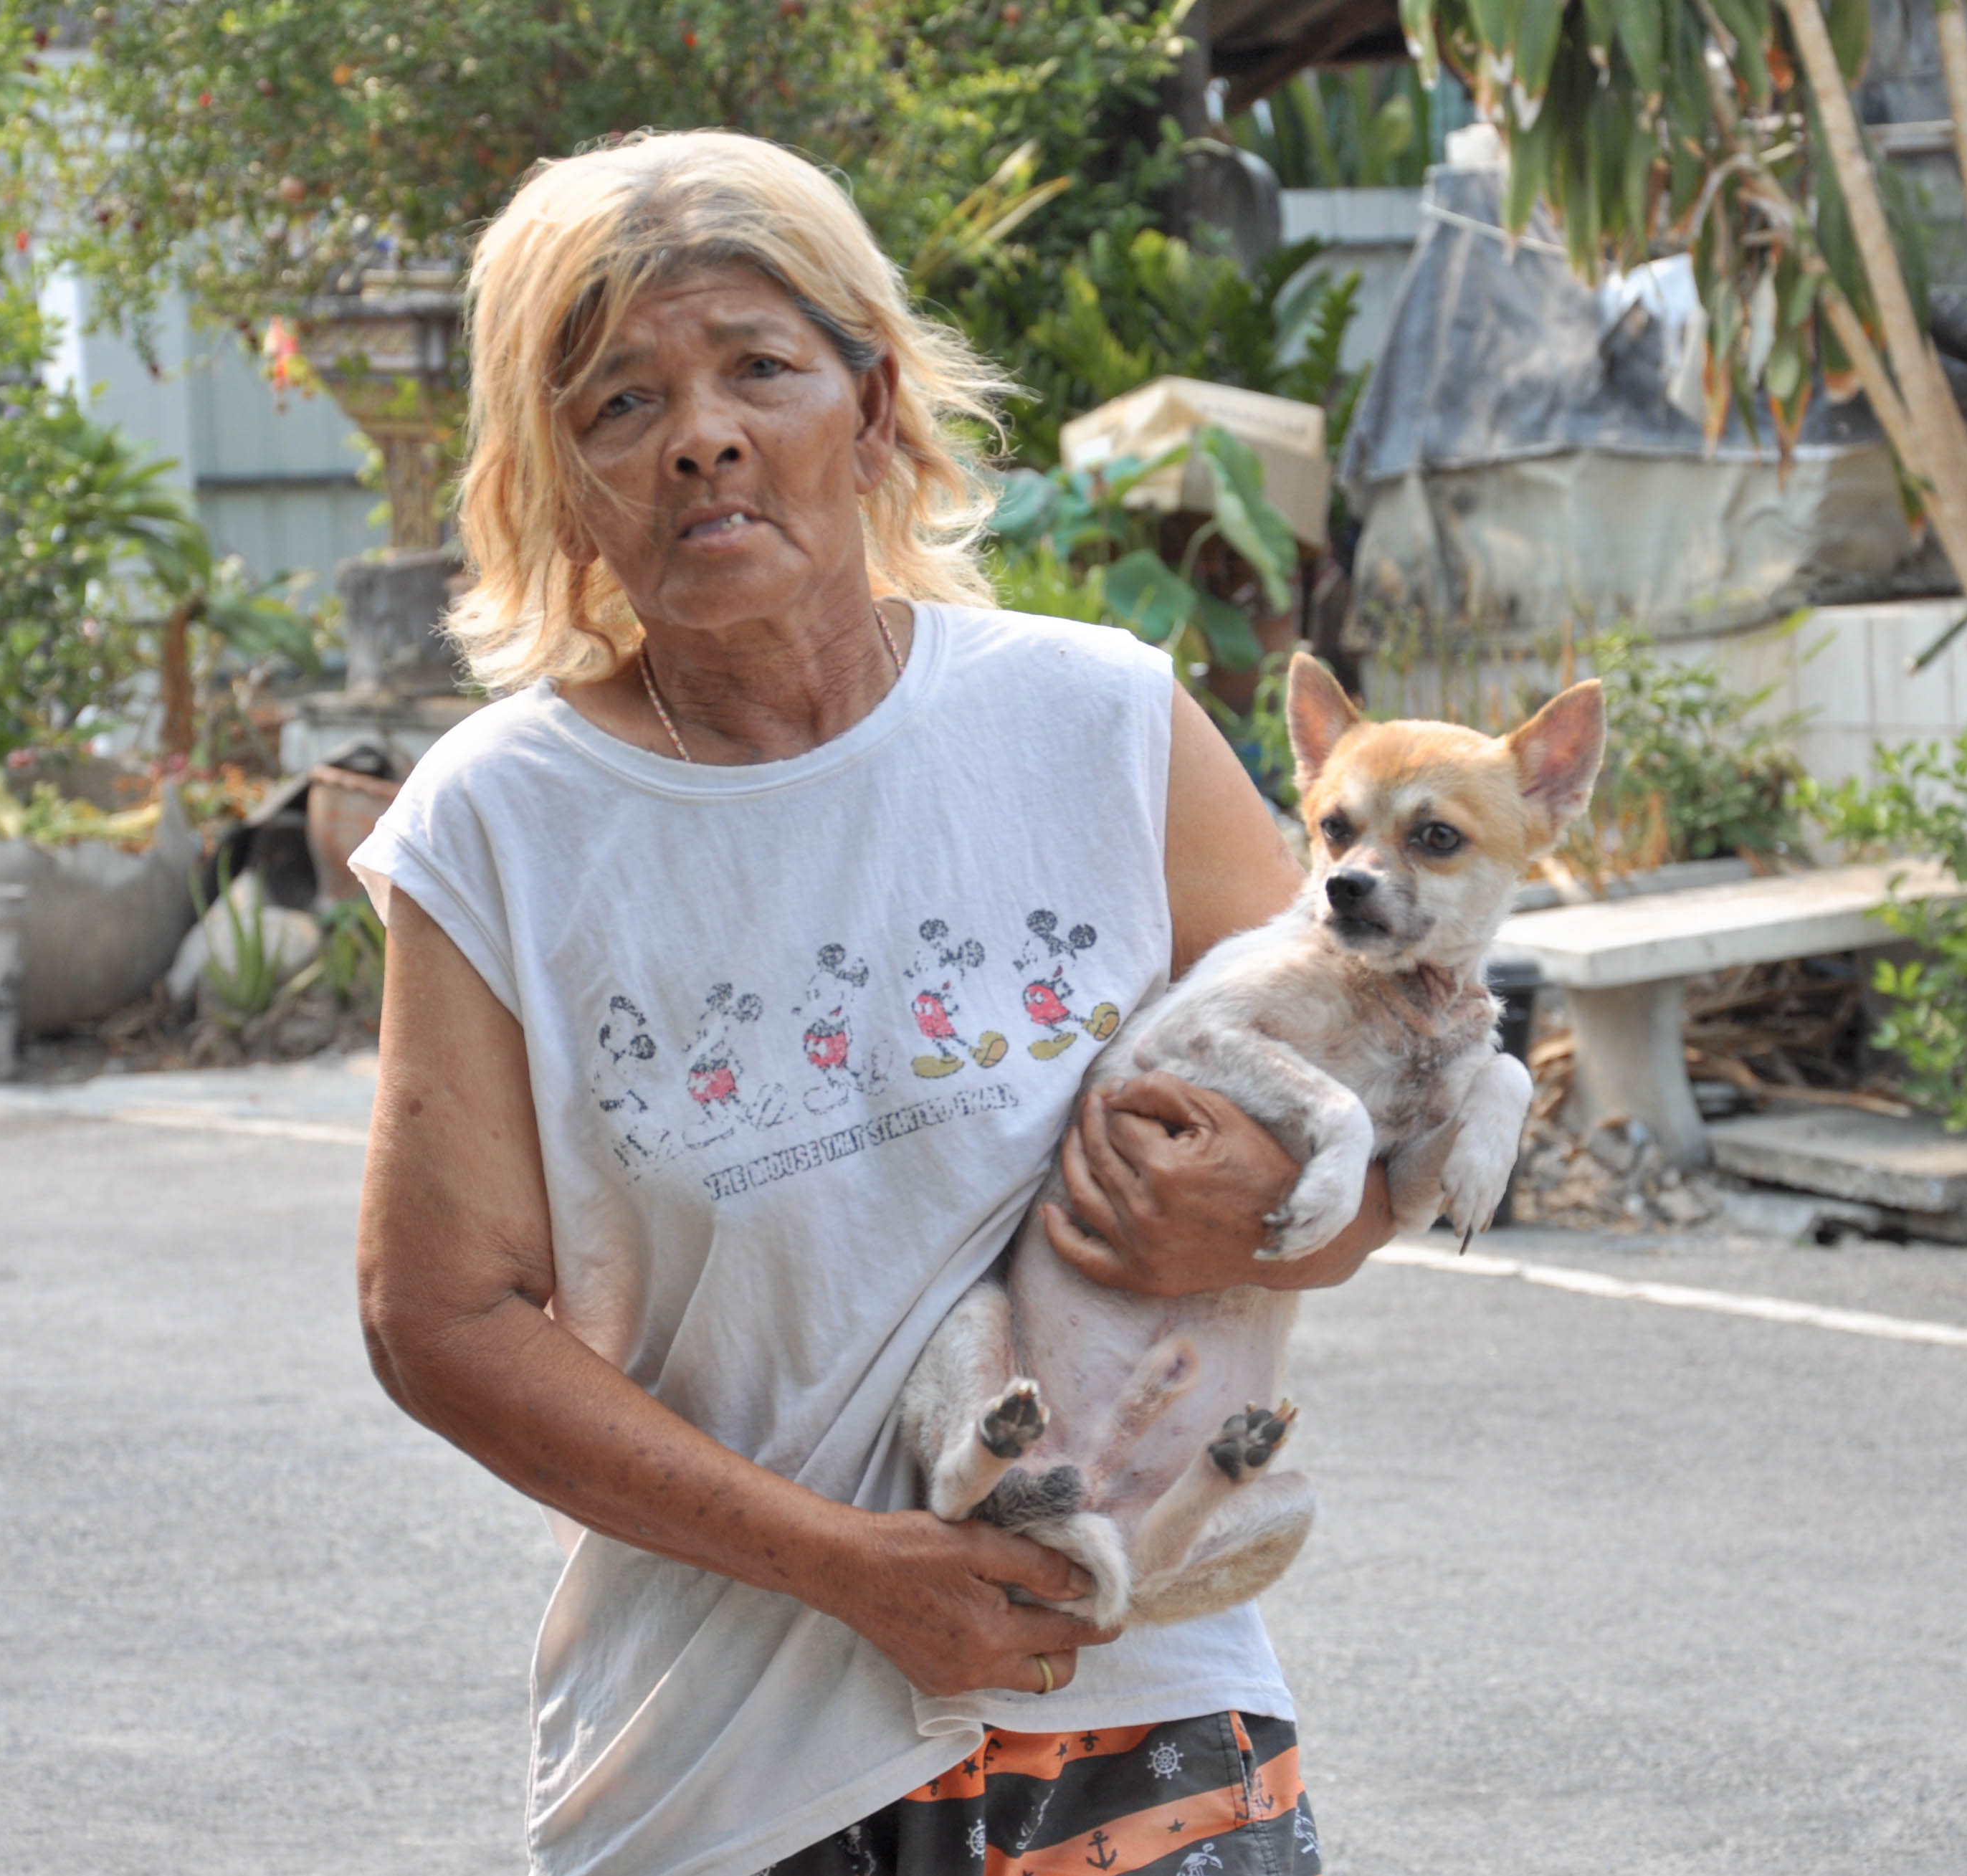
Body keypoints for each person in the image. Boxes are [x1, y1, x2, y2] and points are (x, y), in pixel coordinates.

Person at [350, 128, 1401, 1876]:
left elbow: (1369, 1124)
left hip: (1141, 1705)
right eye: (619, 404)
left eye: (758, 367)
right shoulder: (501, 827)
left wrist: (1286, 1209)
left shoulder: (1098, 723)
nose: (699, 436)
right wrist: (847, 1567)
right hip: (734, 1765)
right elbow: (438, 1318)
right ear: (559, 480)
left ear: (875, 403)